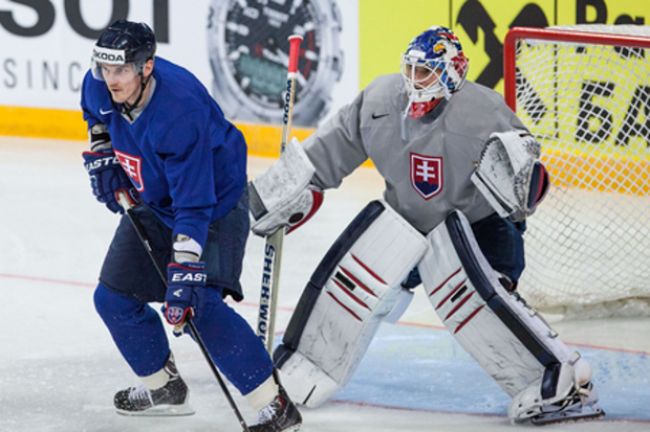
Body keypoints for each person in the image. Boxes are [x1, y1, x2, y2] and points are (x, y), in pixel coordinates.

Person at [248, 26, 604, 425]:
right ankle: (306, 366)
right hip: (405, 221)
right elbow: (333, 146)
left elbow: (523, 189)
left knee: (484, 309)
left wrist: (520, 190)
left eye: (427, 73)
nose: (416, 82)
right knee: (354, 290)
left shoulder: (485, 114)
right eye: (412, 71)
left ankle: (557, 382)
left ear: (452, 73)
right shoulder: (381, 101)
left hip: (476, 227)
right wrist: (287, 190)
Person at [80, 19, 301, 431]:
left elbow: (194, 204)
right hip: (156, 200)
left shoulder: (180, 111)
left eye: (122, 71)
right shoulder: (99, 83)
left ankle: (276, 405)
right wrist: (104, 151)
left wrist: (184, 271)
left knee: (199, 306)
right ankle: (165, 388)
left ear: (147, 67)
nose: (111, 80)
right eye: (105, 69)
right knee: (113, 298)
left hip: (213, 204)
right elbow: (95, 116)